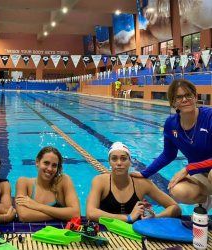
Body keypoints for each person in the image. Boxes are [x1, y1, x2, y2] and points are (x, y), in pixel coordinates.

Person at [130, 79, 212, 212]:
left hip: (205, 170)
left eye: (188, 95)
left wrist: (188, 169)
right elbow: (168, 155)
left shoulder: (209, 117)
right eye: (179, 97)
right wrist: (146, 173)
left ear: (195, 97)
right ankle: (205, 200)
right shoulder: (171, 123)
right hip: (200, 173)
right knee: (177, 191)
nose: (184, 100)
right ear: (173, 102)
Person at [86, 142, 181, 223]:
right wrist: (128, 217)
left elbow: (175, 208)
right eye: (114, 159)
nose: (119, 163)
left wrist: (154, 218)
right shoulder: (100, 181)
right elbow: (90, 213)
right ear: (110, 162)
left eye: (123, 159)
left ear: (130, 162)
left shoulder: (142, 183)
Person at [15, 147, 81, 222]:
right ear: (37, 162)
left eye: (54, 165)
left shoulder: (64, 181)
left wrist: (38, 206)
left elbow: (75, 214)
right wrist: (61, 214)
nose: (49, 169)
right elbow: (24, 216)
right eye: (46, 163)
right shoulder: (24, 182)